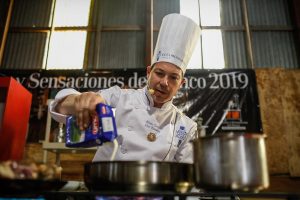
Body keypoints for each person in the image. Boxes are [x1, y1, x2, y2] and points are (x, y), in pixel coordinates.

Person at [49, 13, 201, 163]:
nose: (164, 82)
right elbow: (60, 108)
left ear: (181, 84)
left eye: (173, 77)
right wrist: (79, 100)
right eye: (159, 73)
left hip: (152, 187)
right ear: (149, 73)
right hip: (105, 184)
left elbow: (188, 175)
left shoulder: (186, 127)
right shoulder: (119, 97)